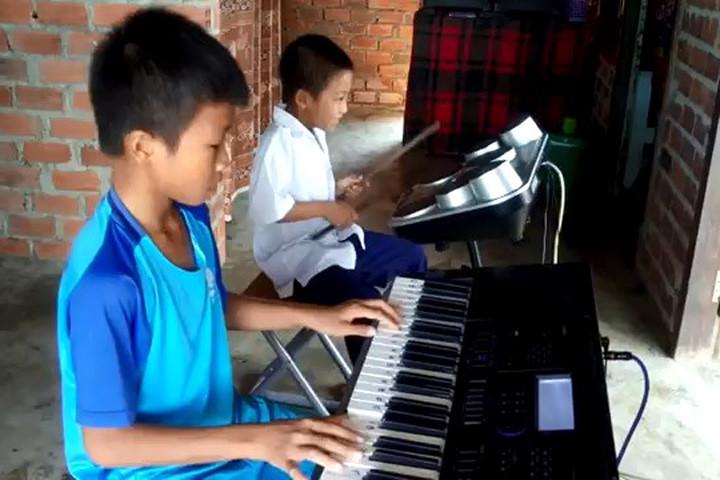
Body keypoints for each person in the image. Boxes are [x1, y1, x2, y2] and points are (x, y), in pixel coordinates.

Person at [55, 8, 400, 480]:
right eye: (214, 146)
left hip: (222, 424)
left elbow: (211, 304)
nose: (224, 164)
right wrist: (255, 440)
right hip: (156, 468)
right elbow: (107, 444)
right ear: (142, 147)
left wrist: (318, 316)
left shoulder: (191, 217)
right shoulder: (106, 282)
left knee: (362, 450)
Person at [248, 34, 428, 365]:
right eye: (339, 98)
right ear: (304, 99)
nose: (345, 108)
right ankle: (367, 381)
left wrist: (337, 190)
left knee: (412, 258)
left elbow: (304, 190)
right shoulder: (277, 143)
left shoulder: (312, 132)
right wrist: (329, 208)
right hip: (297, 260)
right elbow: (269, 208)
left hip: (328, 242)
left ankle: (407, 345)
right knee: (366, 309)